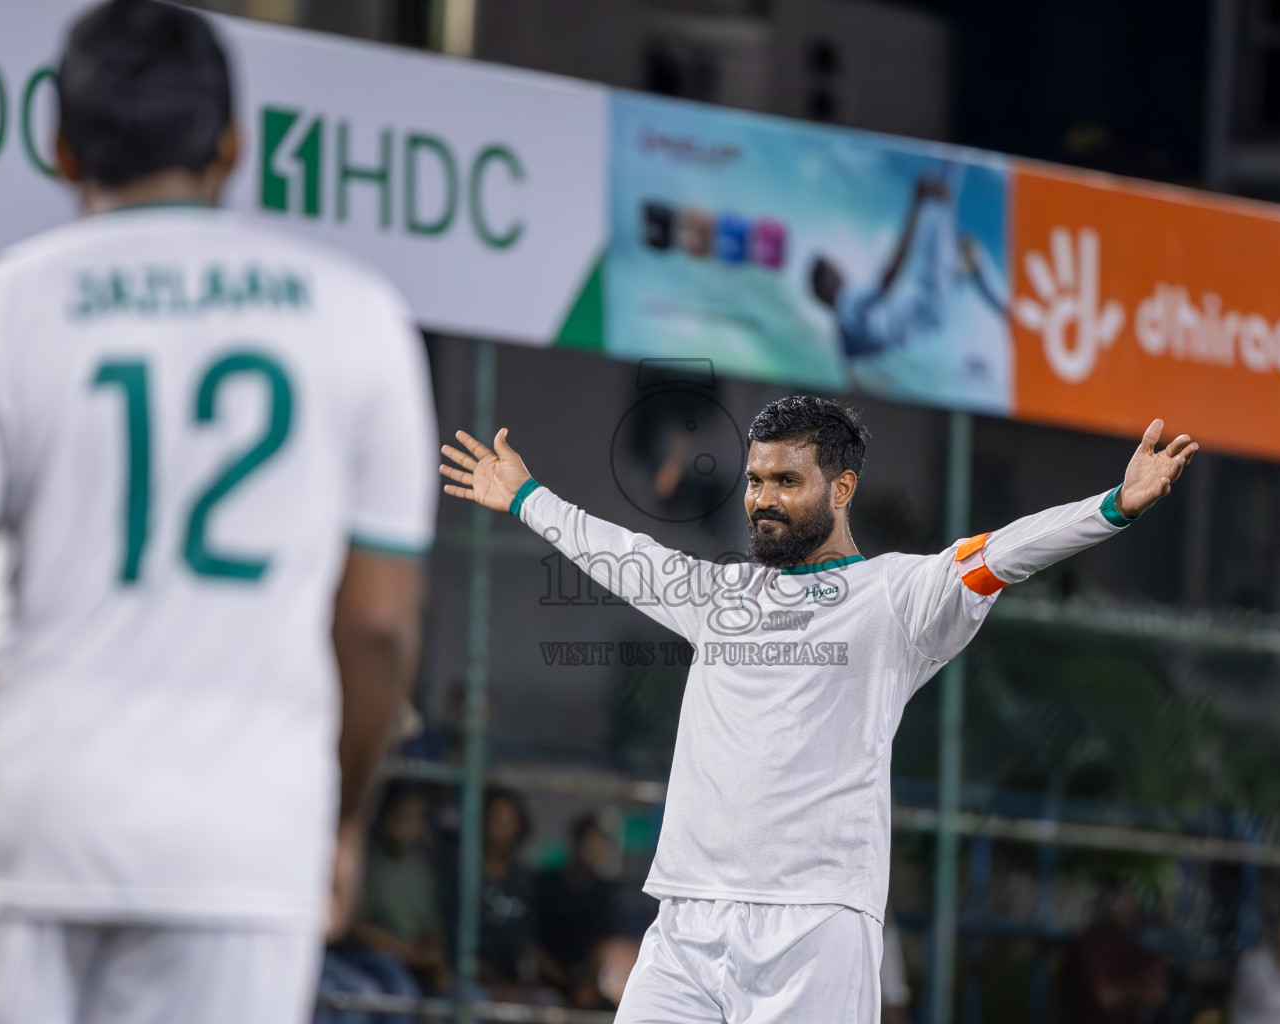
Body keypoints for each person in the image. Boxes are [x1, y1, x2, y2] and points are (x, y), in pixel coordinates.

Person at [0, 2, 437, 1019]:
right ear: (234, 144)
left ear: (59, 147)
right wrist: (336, 820)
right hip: (244, 837)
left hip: (29, 817)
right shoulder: (360, 319)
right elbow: (377, 626)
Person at [438, 396, 1196, 1023]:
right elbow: (625, 555)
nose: (763, 499)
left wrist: (1114, 507)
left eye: (786, 481)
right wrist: (529, 499)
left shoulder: (895, 597)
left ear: (842, 489)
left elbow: (1000, 553)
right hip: (689, 921)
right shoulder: (721, 596)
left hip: (816, 925)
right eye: (756, 480)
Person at [810, 172, 1002, 364]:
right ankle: (1004, 309)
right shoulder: (848, 300)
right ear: (829, 285)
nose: (841, 269)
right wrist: (915, 203)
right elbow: (887, 280)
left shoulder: (844, 335)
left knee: (967, 249)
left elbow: (849, 367)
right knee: (940, 200)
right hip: (929, 296)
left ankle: (1001, 307)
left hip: (930, 312)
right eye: (834, 268)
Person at [343, 785, 451, 994]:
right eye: (402, 815)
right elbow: (357, 928)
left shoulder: (421, 868)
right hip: (370, 955)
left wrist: (434, 960)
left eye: (416, 817)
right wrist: (409, 955)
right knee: (401, 990)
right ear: (385, 816)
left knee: (465, 994)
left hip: (414, 960)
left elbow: (429, 928)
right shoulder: (365, 862)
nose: (409, 825)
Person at [535, 813, 623, 1005]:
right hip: (545, 979)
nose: (595, 850)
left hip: (587, 982)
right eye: (590, 843)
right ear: (576, 844)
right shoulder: (547, 884)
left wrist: (587, 982)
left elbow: (603, 942)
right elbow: (534, 942)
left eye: (600, 845)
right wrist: (562, 980)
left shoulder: (605, 892)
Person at [1058, 886, 1167, 1024]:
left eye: (1128, 906)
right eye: (1118, 906)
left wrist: (1124, 992)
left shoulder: (1137, 946)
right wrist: (1139, 989)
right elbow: (1106, 998)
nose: (1122, 910)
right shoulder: (1089, 945)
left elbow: (1158, 992)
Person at [477, 787, 538, 997]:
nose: (498, 826)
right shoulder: (466, 870)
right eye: (494, 817)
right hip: (474, 977)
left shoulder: (523, 877)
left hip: (513, 977)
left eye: (506, 819)